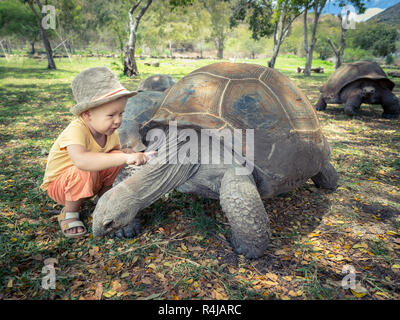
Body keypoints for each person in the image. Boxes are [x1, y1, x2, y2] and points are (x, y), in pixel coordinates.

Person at [41, 67, 154, 238]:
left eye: (121, 114)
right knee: (87, 168)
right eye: (111, 115)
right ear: (87, 115)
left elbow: (115, 156)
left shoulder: (110, 132)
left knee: (116, 160)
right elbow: (82, 161)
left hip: (89, 180)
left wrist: (131, 155)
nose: (118, 121)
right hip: (61, 186)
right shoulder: (76, 130)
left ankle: (103, 201)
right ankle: (69, 213)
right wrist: (124, 157)